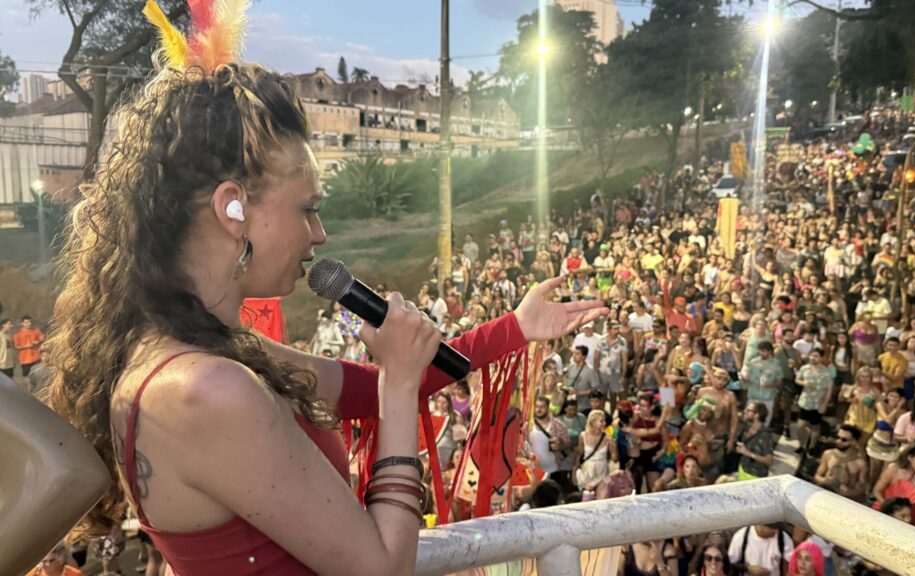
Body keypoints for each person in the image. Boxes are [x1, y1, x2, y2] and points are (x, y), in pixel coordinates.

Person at [43, 12, 608, 574]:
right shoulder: (205, 389)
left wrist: (515, 328)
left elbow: (363, 390)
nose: (320, 233)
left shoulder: (202, 353)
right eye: (307, 208)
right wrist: (400, 386)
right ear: (232, 208)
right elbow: (382, 567)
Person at [794, 349, 833, 455]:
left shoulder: (826, 372)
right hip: (805, 401)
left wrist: (825, 403)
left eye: (816, 356)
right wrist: (803, 383)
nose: (812, 358)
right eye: (811, 355)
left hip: (818, 403)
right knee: (800, 426)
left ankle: (812, 446)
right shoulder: (804, 368)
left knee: (815, 427)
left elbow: (829, 389)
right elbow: (797, 380)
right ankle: (801, 444)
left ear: (821, 358)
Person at [813, 424, 868, 501]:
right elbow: (817, 476)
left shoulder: (860, 463)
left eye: (844, 440)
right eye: (837, 437)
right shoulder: (828, 454)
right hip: (825, 495)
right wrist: (825, 481)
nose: (838, 441)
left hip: (844, 501)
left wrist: (848, 492)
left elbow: (862, 488)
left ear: (853, 442)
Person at [728, 523, 794, 576]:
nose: (776, 531)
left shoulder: (783, 538)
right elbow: (732, 564)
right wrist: (749, 569)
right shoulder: (741, 536)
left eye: (777, 527)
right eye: (772, 528)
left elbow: (789, 564)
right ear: (760, 525)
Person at [736, 402, 775, 481]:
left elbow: (769, 461)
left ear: (757, 415)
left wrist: (748, 453)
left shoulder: (765, 436)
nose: (745, 411)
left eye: (748, 410)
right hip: (742, 469)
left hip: (755, 475)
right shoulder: (746, 427)